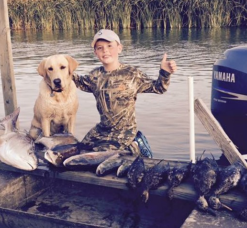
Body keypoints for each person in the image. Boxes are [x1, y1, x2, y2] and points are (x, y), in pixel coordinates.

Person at [72, 29, 177, 157]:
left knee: (102, 156)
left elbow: (159, 88)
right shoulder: (95, 76)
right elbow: (77, 81)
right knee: (79, 151)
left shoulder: (132, 74)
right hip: (102, 129)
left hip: (124, 131)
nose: (105, 50)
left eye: (110, 46)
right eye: (100, 48)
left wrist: (165, 73)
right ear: (95, 53)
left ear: (119, 48)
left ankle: (135, 145)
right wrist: (60, 68)